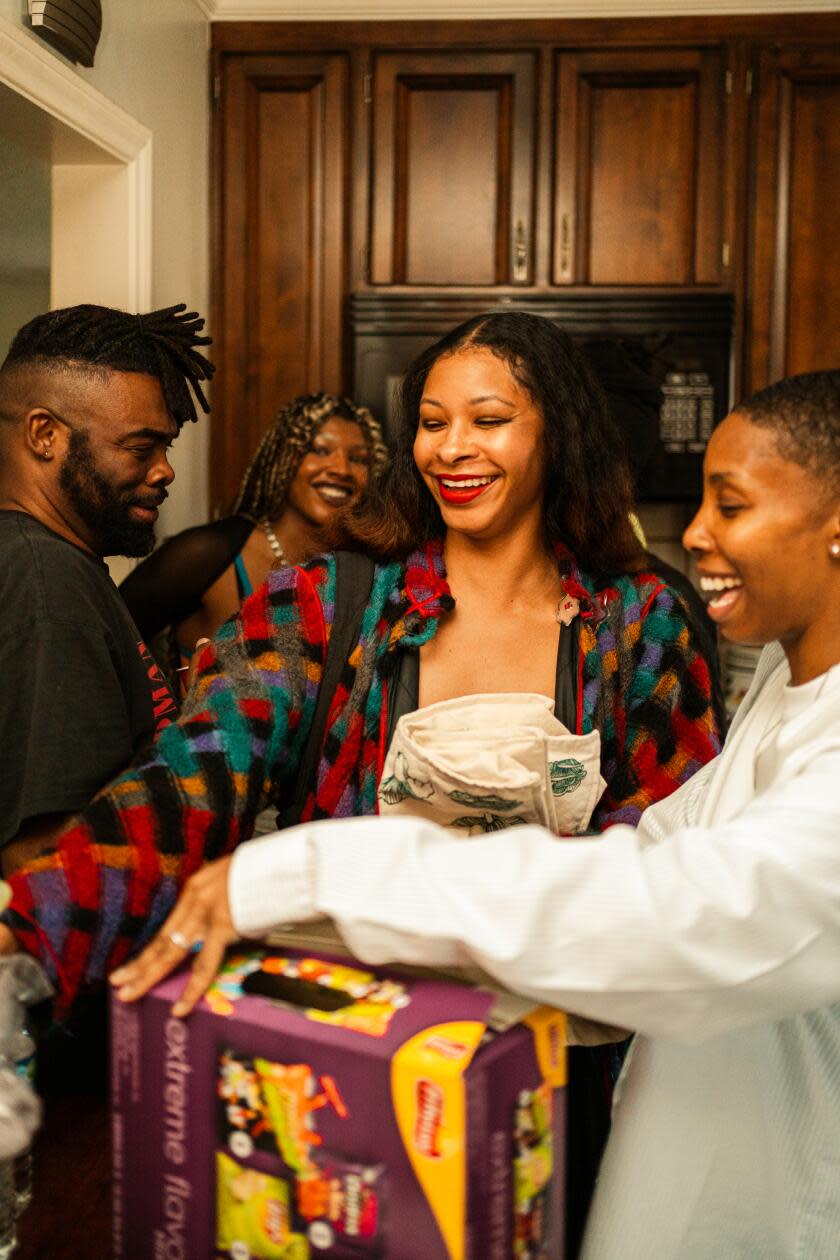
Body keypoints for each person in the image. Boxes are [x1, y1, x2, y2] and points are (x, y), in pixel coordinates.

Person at [0, 312, 720, 1231]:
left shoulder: (639, 623)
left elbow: (677, 849)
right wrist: (26, 925)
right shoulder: (326, 605)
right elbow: (185, 785)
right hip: (344, 1067)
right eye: (431, 421)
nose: (452, 447)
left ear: (557, 433)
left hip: (564, 1080)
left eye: (489, 420)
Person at [109, 368, 840, 1258]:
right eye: (431, 420)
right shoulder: (785, 683)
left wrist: (319, 869)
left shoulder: (645, 625)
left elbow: (681, 907)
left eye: (730, 507)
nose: (693, 535)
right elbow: (650, 841)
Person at [0, 302, 214, 876]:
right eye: (141, 448)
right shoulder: (47, 582)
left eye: (165, 448)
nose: (165, 470)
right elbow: (44, 855)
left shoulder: (56, 563)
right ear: (44, 434)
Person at [119, 392, 388, 675]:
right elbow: (108, 633)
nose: (341, 469)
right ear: (282, 457)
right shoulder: (207, 552)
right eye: (320, 450)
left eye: (358, 459)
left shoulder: (367, 570)